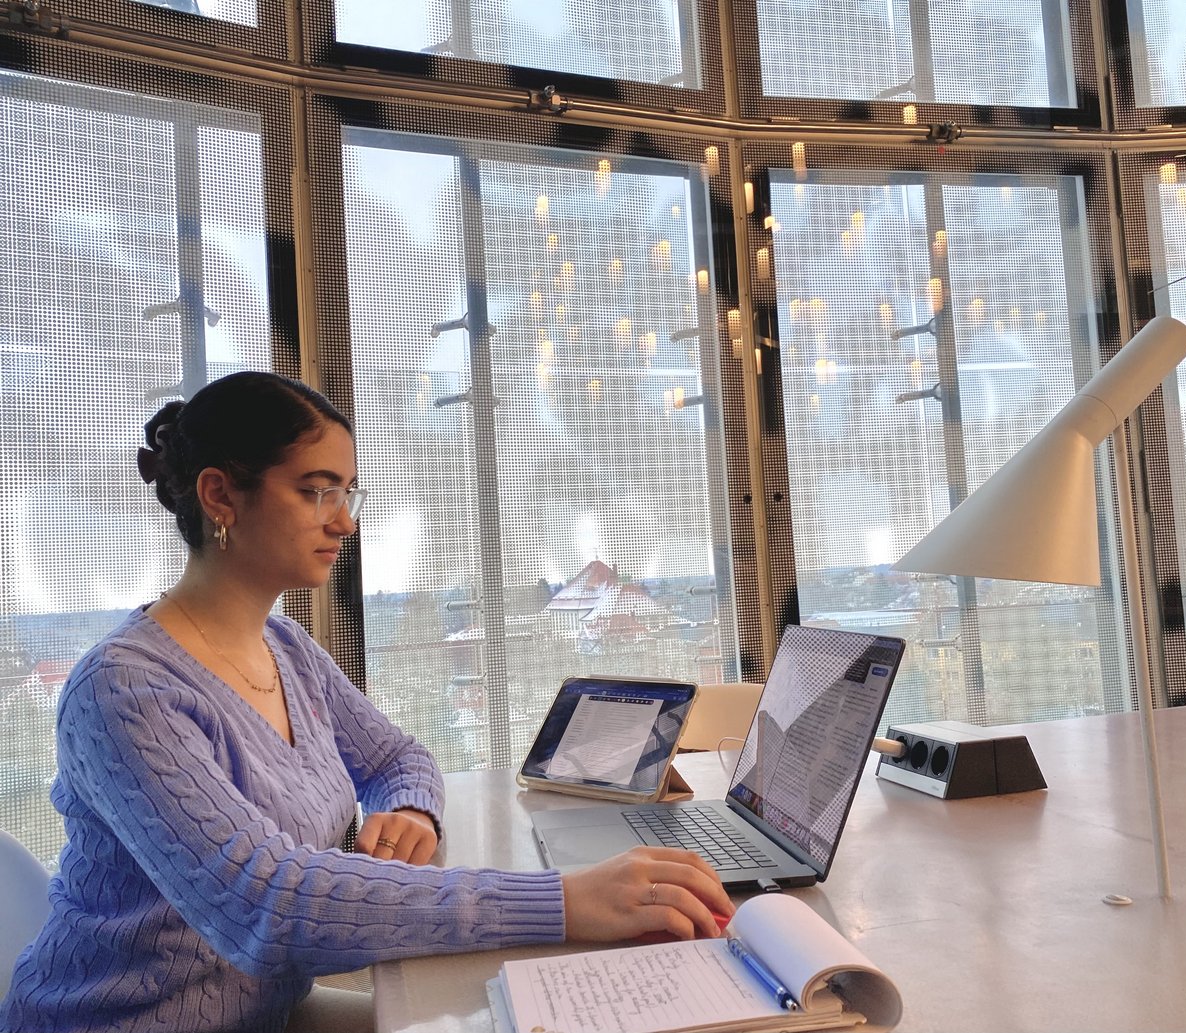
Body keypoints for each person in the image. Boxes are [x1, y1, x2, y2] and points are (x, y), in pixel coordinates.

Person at [0, 371, 732, 1033]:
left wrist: (410, 808)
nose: (345, 520)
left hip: (266, 1008)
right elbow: (269, 902)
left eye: (348, 492)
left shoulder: (284, 647)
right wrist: (562, 899)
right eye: (317, 489)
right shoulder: (123, 690)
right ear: (220, 494)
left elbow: (396, 756)